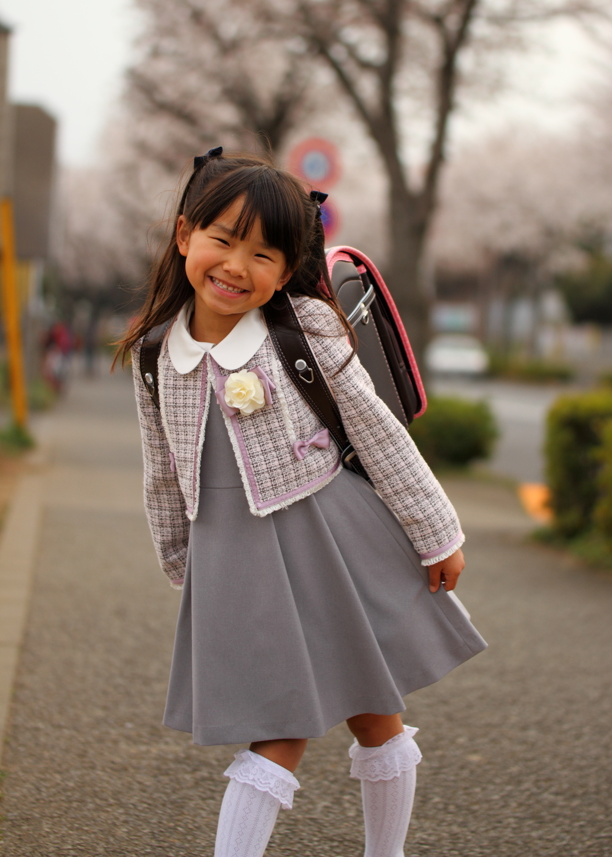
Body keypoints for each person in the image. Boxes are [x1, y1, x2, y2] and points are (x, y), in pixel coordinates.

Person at [118, 150, 487, 857]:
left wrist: (437, 533)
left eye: (263, 254)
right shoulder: (156, 353)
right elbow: (161, 469)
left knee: (376, 719)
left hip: (336, 541)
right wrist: (180, 560)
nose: (236, 266)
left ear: (287, 271)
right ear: (184, 236)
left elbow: (378, 432)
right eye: (222, 240)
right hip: (239, 562)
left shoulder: (305, 330)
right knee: (279, 729)